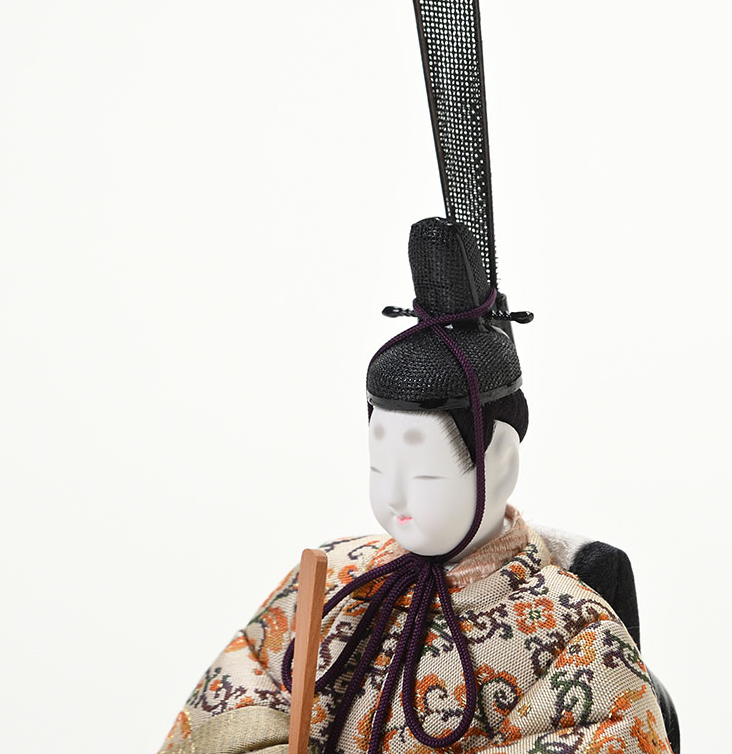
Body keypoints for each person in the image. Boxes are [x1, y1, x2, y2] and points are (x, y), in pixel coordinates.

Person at [156, 220, 673, 754]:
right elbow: (243, 682)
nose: (394, 496)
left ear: (498, 463)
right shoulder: (338, 576)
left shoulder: (573, 628)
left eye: (425, 474)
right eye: (379, 469)